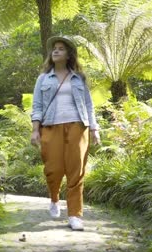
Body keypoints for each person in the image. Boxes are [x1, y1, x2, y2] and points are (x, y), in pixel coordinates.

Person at [30, 36, 100, 231]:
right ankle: (54, 198)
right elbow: (36, 105)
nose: (56, 51)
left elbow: (89, 104)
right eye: (54, 48)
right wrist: (35, 130)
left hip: (78, 125)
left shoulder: (79, 78)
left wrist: (94, 129)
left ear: (69, 54)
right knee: (53, 169)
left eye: (61, 49)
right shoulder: (43, 78)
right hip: (51, 126)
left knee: (76, 170)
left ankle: (75, 214)